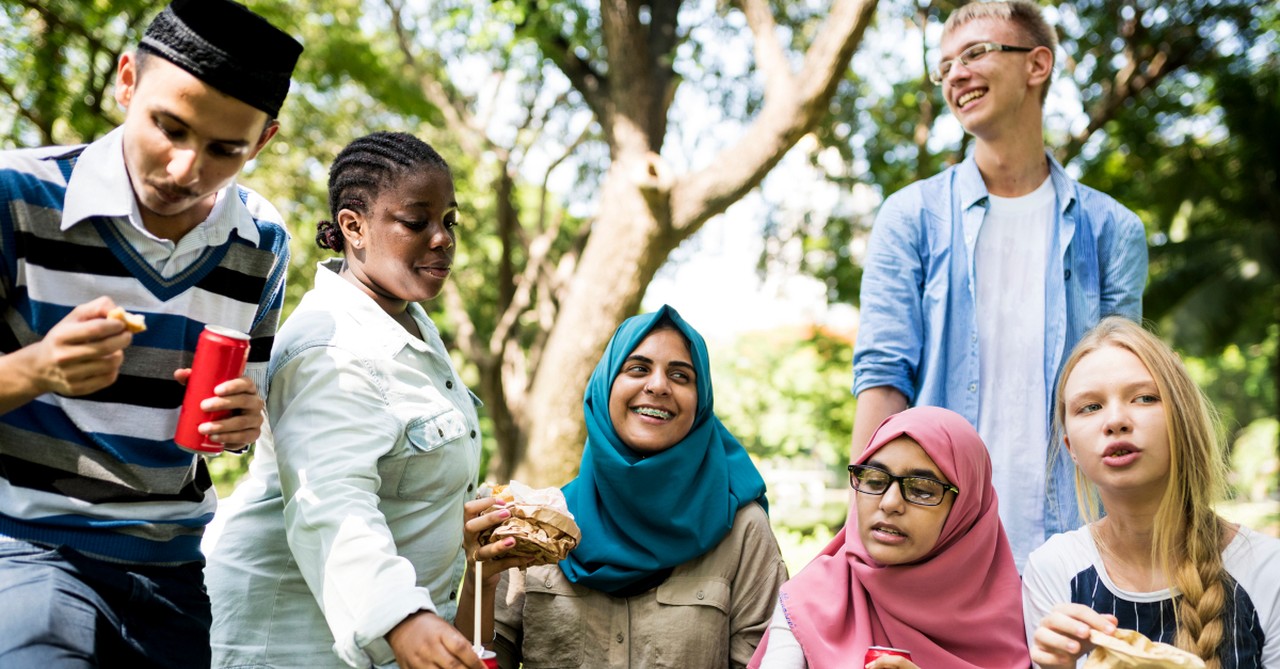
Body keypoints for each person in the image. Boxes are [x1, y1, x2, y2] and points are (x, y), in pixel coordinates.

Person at [0, 0, 301, 665]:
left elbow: (234, 413)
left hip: (172, 575)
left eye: (226, 149)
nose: (185, 168)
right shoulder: (16, 197)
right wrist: (37, 369)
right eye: (169, 127)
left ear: (265, 140)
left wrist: (241, 421)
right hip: (28, 551)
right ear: (127, 81)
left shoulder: (263, 242)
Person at [205, 132, 524, 669]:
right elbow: (330, 501)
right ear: (353, 226)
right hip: (283, 647)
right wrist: (399, 617)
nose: (443, 238)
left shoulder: (409, 326)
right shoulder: (327, 347)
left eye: (450, 220)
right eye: (416, 221)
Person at [849, 0, 1149, 568]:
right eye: (945, 66)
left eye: (976, 53)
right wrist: (857, 536)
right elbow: (884, 380)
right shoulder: (912, 217)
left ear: (1037, 66)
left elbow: (1123, 392)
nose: (955, 74)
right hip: (936, 534)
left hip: (1077, 543)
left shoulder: (1113, 230)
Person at [488, 305, 787, 668]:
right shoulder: (540, 523)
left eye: (680, 375)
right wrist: (480, 580)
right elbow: (480, 655)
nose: (658, 385)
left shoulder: (742, 531)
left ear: (701, 402)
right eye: (638, 369)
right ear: (604, 387)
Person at [1024, 317, 1280, 668]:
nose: (1115, 420)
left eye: (1144, 398)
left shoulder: (1268, 569)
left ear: (1183, 418)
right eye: (1090, 407)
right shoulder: (1054, 568)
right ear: (1071, 447)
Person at [750, 406, 1028, 668]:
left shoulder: (1024, 612)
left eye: (921, 489)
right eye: (875, 480)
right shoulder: (811, 599)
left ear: (966, 509)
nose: (890, 502)